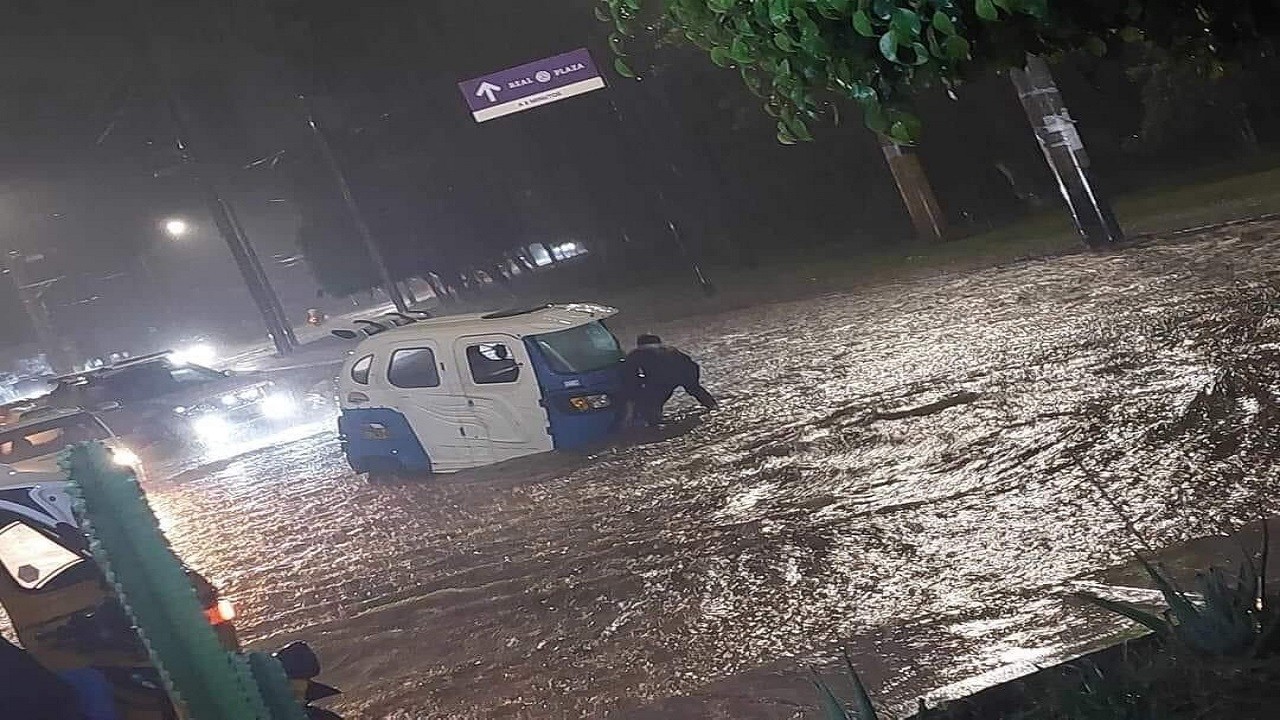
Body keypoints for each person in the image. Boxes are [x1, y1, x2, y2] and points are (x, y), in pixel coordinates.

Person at [622, 334, 717, 427]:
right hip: (684, 373)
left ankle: (654, 422)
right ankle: (712, 405)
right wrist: (693, 382)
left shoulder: (637, 353)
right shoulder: (671, 349)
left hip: (661, 380)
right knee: (695, 389)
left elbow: (630, 375)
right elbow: (692, 365)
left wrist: (637, 386)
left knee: (652, 401)